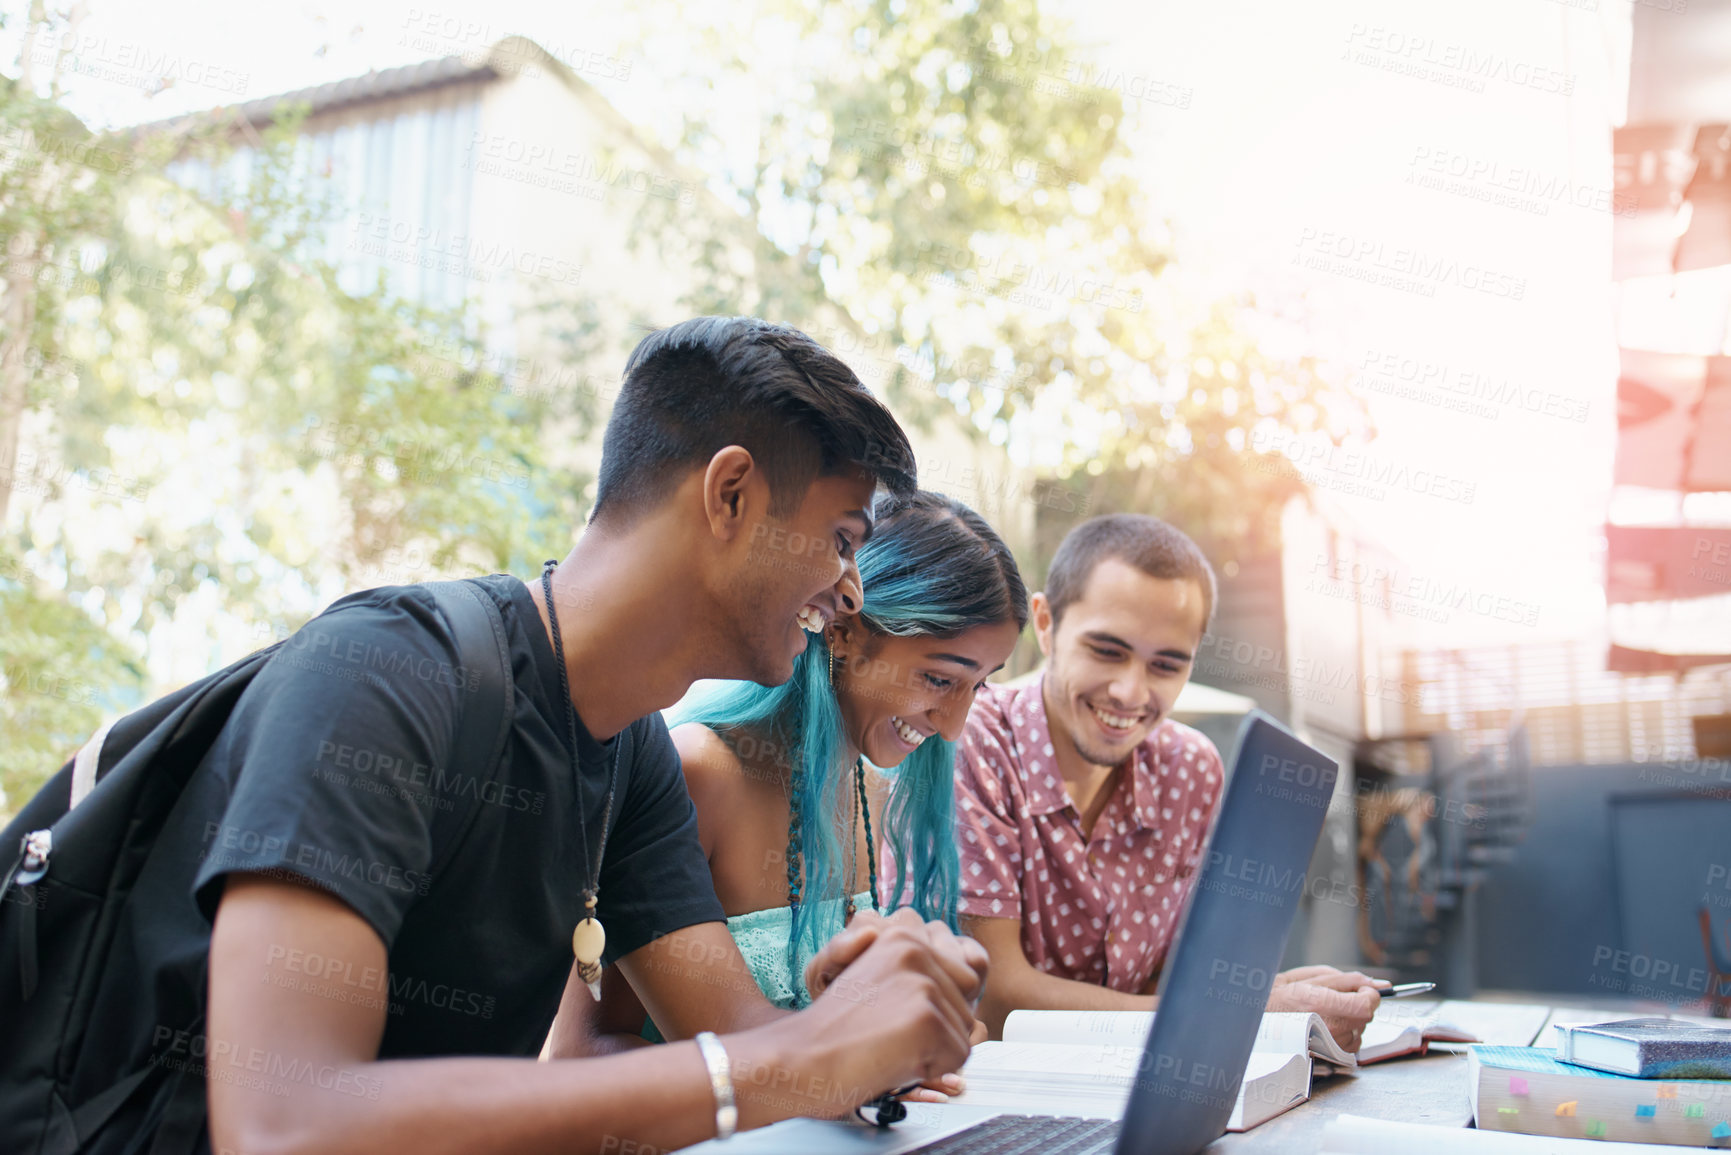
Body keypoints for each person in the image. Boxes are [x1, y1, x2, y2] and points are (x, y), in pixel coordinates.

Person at [70, 317, 989, 1155]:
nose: (850, 594)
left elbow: (744, 1040)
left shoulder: (630, 754)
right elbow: (286, 1127)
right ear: (731, 495)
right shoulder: (385, 673)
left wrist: (869, 1024)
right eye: (839, 538)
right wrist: (802, 1056)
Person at [585, 489, 1026, 1049]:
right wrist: (851, 1065)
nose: (954, 725)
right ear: (844, 630)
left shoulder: (870, 792)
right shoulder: (698, 774)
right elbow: (583, 1051)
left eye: (980, 683)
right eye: (939, 680)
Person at [952, 513, 1383, 1048]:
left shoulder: (1191, 767)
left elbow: (1171, 978)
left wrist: (1258, 998)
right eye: (1106, 651)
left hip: (1136, 1085)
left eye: (1166, 666)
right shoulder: (976, 742)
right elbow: (997, 1000)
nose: (1130, 693)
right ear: (1045, 623)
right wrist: (1233, 1012)